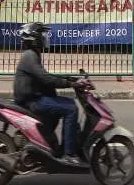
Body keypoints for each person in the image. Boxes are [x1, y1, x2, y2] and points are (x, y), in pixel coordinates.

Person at [12, 22, 84, 165]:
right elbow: (46, 78)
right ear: (34, 38)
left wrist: (71, 79)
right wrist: (70, 84)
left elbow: (45, 76)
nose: (45, 38)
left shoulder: (32, 54)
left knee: (64, 105)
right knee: (71, 108)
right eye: (42, 35)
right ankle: (69, 154)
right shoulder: (30, 56)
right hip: (32, 102)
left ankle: (50, 144)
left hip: (33, 98)